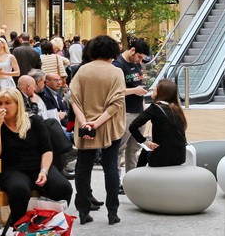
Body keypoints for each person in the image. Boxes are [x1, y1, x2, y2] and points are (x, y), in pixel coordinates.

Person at [0, 89, 73, 227]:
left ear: (18, 104)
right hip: (11, 170)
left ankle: (58, 225)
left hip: (38, 166)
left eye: (7, 103)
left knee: (63, 187)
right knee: (19, 189)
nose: (3, 107)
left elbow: (47, 150)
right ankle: (20, 227)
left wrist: (44, 171)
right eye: (0, 103)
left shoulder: (34, 121)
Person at [69, 35, 126, 225]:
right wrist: (98, 122)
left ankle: (83, 211)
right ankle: (112, 212)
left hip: (85, 126)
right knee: (110, 167)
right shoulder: (116, 72)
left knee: (83, 167)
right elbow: (116, 103)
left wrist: (86, 122)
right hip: (109, 126)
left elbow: (74, 99)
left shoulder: (82, 71)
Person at [128, 79, 188, 167]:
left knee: (146, 148)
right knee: (149, 146)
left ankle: (137, 176)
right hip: (180, 157)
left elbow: (133, 126)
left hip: (161, 159)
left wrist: (144, 141)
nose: (153, 88)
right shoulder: (177, 109)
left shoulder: (155, 108)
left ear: (161, 92)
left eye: (156, 87)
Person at [114, 39, 150, 175]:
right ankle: (116, 181)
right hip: (125, 112)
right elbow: (116, 91)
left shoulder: (137, 64)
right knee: (120, 148)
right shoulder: (118, 65)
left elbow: (138, 86)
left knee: (134, 148)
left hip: (139, 111)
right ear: (132, 50)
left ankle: (131, 178)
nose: (139, 61)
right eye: (139, 57)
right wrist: (134, 91)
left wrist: (143, 108)